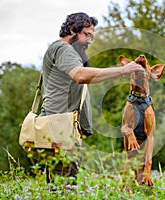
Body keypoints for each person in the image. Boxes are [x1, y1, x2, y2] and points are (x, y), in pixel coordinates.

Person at [39, 12, 144, 184]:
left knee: (62, 185)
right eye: (87, 35)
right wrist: (122, 70)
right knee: (65, 187)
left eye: (92, 37)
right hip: (59, 127)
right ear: (73, 30)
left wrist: (118, 73)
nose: (89, 41)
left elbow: (89, 76)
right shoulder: (63, 48)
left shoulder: (64, 50)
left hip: (63, 126)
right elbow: (80, 75)